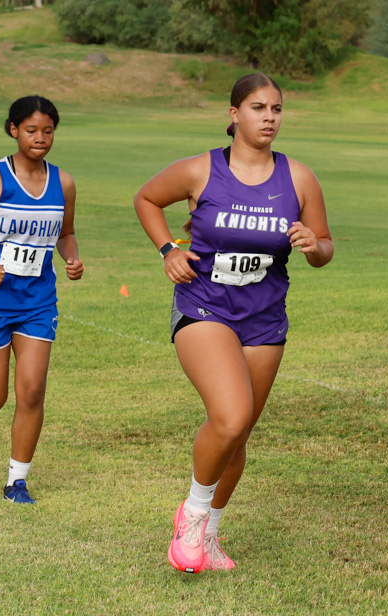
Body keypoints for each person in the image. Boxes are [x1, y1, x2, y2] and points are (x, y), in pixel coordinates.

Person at [134, 73, 333, 573]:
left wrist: (314, 245)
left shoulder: (299, 177)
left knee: (238, 434)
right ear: (234, 114)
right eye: (258, 107)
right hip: (205, 307)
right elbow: (146, 199)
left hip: (265, 319)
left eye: (277, 109)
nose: (269, 117)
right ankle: (192, 515)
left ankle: (211, 537)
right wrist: (167, 250)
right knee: (229, 415)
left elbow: (326, 248)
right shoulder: (201, 170)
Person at [0, 95, 83, 505]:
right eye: (31, 130)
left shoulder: (64, 183)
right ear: (13, 130)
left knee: (33, 390)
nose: (40, 138)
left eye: (47, 131)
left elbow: (65, 234)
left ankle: (16, 482)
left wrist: (73, 257)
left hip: (38, 302)